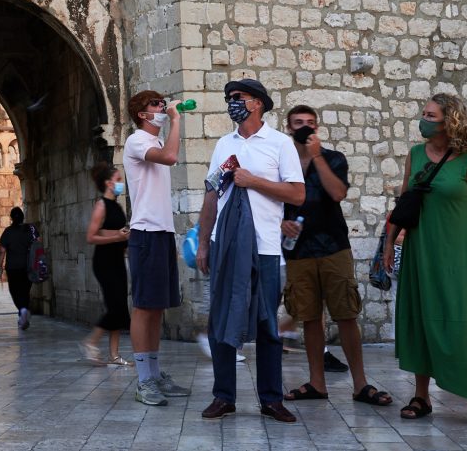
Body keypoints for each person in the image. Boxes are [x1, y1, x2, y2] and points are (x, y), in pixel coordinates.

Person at [383, 93, 467, 428]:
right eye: (423, 113)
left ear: (449, 121)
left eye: (430, 115)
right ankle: (421, 396)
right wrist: (389, 243)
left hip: (458, 257)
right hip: (420, 252)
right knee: (422, 319)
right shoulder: (416, 155)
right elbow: (404, 202)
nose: (423, 119)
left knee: (465, 323)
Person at [196, 79, 304, 423]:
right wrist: (203, 241)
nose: (231, 103)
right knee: (222, 321)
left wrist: (252, 180)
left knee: (268, 324)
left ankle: (271, 399)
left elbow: (298, 195)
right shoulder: (223, 145)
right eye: (229, 98)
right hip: (226, 246)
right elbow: (212, 194)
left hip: (267, 247)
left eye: (237, 98)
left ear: (257, 103)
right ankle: (223, 396)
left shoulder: (279, 144)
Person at [280, 105, 391, 407]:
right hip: (298, 251)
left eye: (310, 123)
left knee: (346, 315)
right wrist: (280, 222)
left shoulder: (333, 158)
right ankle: (317, 382)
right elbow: (270, 200)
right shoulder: (281, 161)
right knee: (309, 318)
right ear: (288, 127)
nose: (305, 127)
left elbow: (338, 193)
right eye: (298, 123)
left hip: (333, 247)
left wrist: (315, 156)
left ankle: (360, 384)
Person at [122, 91, 189, 405]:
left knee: (158, 307)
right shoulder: (137, 141)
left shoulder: (157, 143)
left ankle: (155, 374)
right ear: (142, 114)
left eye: (164, 104)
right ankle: (143, 380)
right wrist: (175, 119)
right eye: (156, 105)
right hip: (145, 233)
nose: (163, 108)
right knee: (144, 306)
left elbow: (167, 154)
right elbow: (171, 158)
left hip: (162, 233)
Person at [79, 162, 131, 366]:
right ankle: (90, 342)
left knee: (119, 306)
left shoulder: (117, 206)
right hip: (104, 261)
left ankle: (115, 355)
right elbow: (91, 236)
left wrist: (124, 240)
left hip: (118, 259)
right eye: (118, 180)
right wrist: (117, 237)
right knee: (115, 306)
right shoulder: (101, 205)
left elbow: (115, 233)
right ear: (108, 183)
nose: (121, 184)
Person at [0, 207, 34, 329]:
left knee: (15, 291)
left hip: (13, 267)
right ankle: (23, 315)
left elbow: (2, 251)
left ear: (11, 218)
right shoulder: (30, 229)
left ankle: (22, 311)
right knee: (25, 291)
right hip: (28, 266)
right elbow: (38, 242)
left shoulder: (8, 231)